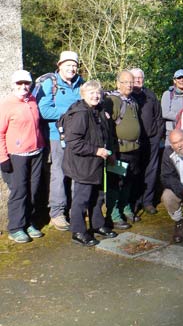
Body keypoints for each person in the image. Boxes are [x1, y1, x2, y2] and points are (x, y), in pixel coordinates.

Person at [62, 80, 118, 246]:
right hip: (83, 163)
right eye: (91, 93)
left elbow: (105, 136)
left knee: (98, 195)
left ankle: (98, 225)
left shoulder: (98, 111)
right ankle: (78, 231)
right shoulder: (80, 113)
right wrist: (96, 151)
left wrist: (109, 153)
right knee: (82, 198)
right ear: (83, 95)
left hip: (98, 162)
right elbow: (74, 142)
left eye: (97, 93)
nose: (95, 96)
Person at [37, 50, 83, 232]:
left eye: (74, 65)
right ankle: (57, 213)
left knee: (77, 172)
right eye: (68, 65)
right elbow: (43, 110)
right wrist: (69, 114)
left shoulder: (81, 84)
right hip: (58, 137)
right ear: (60, 66)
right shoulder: (51, 83)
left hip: (78, 137)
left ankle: (76, 209)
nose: (71, 68)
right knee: (59, 173)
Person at [0, 70, 45, 243]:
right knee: (19, 191)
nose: (23, 87)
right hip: (16, 155)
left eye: (26, 83)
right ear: (13, 85)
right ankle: (15, 227)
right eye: (19, 83)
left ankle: (29, 222)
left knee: (33, 190)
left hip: (36, 152)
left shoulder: (33, 101)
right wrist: (3, 158)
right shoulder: (6, 104)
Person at [104, 70, 141, 229]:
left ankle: (125, 207)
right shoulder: (113, 101)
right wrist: (110, 151)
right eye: (126, 82)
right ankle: (113, 214)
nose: (129, 85)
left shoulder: (132, 101)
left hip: (133, 149)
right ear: (118, 83)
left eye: (131, 82)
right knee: (115, 182)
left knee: (129, 181)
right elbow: (107, 128)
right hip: (119, 150)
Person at [130, 68, 164, 215]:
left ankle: (148, 201)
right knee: (135, 171)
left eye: (140, 78)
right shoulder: (127, 96)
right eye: (135, 78)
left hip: (151, 140)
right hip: (133, 142)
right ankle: (134, 202)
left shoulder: (150, 95)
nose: (138, 80)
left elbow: (158, 117)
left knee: (151, 171)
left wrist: (157, 136)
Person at [161, 69, 183, 139]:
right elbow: (165, 113)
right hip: (171, 132)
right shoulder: (167, 94)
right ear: (174, 80)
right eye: (179, 78)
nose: (181, 80)